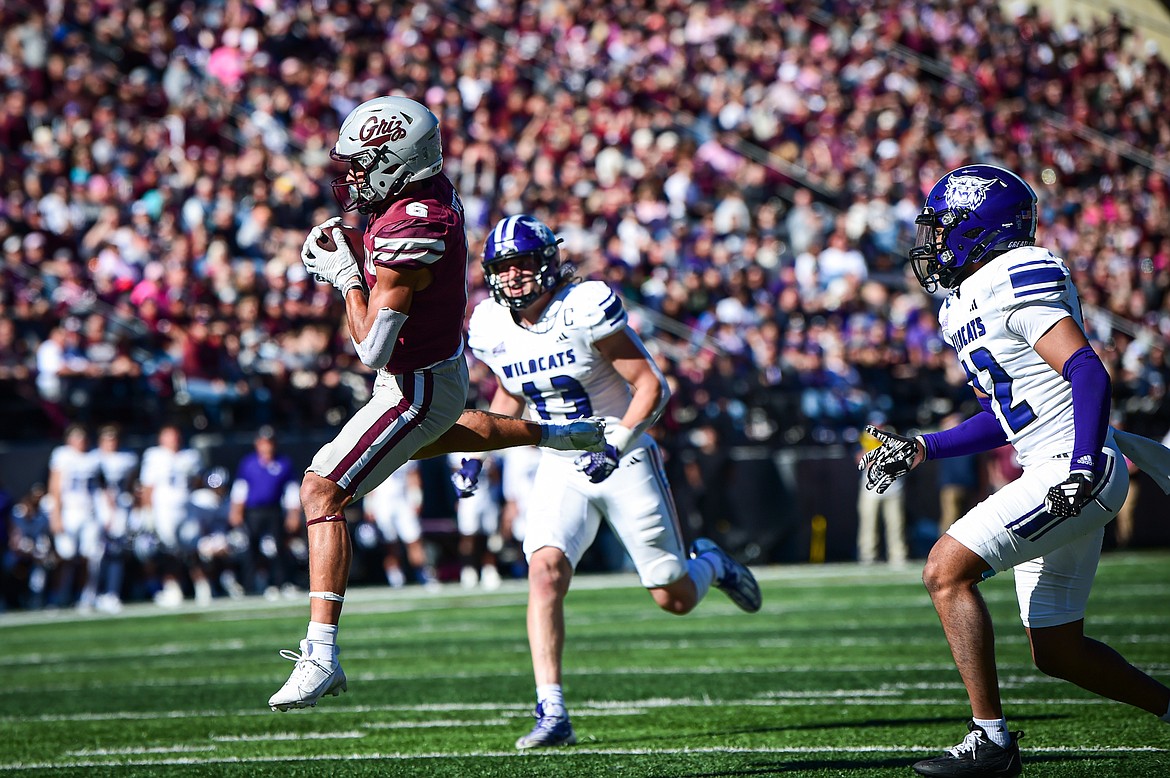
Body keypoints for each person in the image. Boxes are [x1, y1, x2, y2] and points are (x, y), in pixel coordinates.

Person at [269, 97, 603, 713]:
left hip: (413, 380)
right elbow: (382, 225)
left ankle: (321, 653)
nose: (352, 179)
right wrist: (352, 240)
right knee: (447, 431)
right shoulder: (425, 195)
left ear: (397, 162)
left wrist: (346, 275)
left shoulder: (413, 228)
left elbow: (371, 345)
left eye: (363, 166)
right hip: (434, 376)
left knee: (322, 491)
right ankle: (563, 434)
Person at [859, 164, 1170, 777]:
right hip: (1056, 467)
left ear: (980, 226)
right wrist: (925, 446)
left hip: (1071, 469)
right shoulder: (962, 303)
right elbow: (1004, 412)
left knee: (944, 572)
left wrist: (1082, 464)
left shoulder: (1014, 273)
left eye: (944, 229)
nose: (935, 244)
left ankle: (991, 742)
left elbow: (1086, 368)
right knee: (1059, 651)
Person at [456, 213, 762, 750]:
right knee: (544, 571)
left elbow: (652, 386)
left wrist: (615, 444)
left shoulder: (583, 307)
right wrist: (481, 454)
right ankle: (551, 708)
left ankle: (711, 563)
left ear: (549, 261)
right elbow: (510, 391)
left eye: (524, 263)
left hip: (622, 453)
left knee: (672, 596)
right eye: (504, 267)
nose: (514, 276)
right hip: (558, 462)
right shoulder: (490, 325)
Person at [229, 425, 301, 597]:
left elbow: (291, 490)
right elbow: (241, 488)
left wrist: (293, 514)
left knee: (278, 547)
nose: (267, 446)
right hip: (253, 511)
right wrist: (236, 511)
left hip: (274, 510)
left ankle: (281, 582)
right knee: (250, 547)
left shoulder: (284, 463)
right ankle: (249, 585)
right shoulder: (249, 463)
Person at [138, 423, 204, 606]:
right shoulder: (154, 456)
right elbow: (147, 487)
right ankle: (172, 587)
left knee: (193, 549)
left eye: (175, 435)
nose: (173, 439)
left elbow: (198, 481)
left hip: (187, 508)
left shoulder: (191, 456)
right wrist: (148, 512)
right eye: (169, 436)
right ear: (161, 438)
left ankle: (202, 586)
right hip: (164, 510)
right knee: (168, 551)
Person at [359, 459, 436, 589]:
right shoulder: (376, 453)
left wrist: (417, 500)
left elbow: (413, 477)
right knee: (390, 544)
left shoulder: (408, 451)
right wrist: (369, 506)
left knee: (414, 540)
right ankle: (396, 578)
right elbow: (369, 481)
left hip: (403, 503)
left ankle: (424, 575)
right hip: (382, 505)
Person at [855, 426, 908, 566]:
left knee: (896, 524)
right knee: (868, 524)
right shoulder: (865, 440)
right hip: (870, 491)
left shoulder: (895, 441)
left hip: (893, 490)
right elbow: (860, 459)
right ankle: (868, 555)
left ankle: (898, 555)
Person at [450, 451, 502, 590]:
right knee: (468, 537)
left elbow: (495, 477)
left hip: (487, 498)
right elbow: (456, 478)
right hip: (468, 501)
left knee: (491, 537)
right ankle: (469, 570)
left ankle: (489, 568)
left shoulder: (490, 452)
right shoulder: (457, 453)